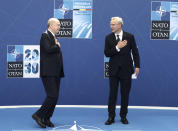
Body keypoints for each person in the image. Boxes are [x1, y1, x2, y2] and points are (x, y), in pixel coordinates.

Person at [104, 17, 140, 125]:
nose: (111, 26)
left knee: (125, 94)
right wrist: (117, 47)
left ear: (120, 25)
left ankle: (123, 116)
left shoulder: (130, 36)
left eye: (113, 24)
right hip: (113, 71)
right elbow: (107, 53)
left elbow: (135, 52)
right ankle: (111, 116)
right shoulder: (108, 38)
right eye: (111, 24)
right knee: (112, 95)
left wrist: (137, 66)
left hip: (126, 70)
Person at [32, 18, 64, 128]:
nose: (59, 27)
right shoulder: (44, 36)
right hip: (48, 72)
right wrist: (57, 46)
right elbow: (48, 49)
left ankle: (47, 118)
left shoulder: (54, 37)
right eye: (58, 25)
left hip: (56, 72)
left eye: (59, 25)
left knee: (55, 97)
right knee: (52, 95)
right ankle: (38, 115)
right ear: (51, 25)